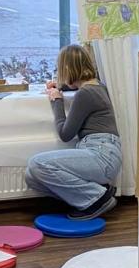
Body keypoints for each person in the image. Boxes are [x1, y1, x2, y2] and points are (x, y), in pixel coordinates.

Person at [25, 44, 121, 220]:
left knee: (37, 164)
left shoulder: (85, 93)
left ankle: (97, 199)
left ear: (67, 68)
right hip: (103, 152)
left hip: (102, 155)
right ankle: (96, 194)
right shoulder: (96, 85)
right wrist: (60, 87)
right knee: (31, 176)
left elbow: (65, 133)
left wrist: (57, 101)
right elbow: (77, 87)